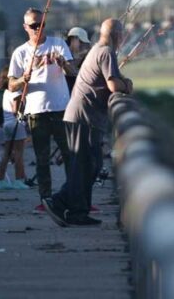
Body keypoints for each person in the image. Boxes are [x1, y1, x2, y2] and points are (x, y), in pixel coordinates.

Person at [43, 19, 133, 227]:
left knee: (89, 165)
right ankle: (62, 203)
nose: (122, 40)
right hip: (84, 117)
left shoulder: (97, 50)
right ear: (117, 36)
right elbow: (113, 84)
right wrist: (127, 85)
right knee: (86, 165)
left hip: (82, 116)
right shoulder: (106, 52)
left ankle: (75, 209)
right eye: (121, 36)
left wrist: (122, 80)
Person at [8, 8, 76, 213]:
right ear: (25, 27)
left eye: (42, 24)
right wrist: (24, 78)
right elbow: (11, 85)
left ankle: (73, 196)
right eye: (34, 26)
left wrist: (63, 63)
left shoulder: (58, 44)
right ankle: (46, 198)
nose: (38, 29)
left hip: (62, 109)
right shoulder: (20, 52)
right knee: (42, 158)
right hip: (37, 112)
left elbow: (74, 72)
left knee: (70, 154)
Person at [0, 67, 28, 190]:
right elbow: (16, 111)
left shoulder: (6, 92)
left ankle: (1, 180)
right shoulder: (16, 92)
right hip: (16, 124)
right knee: (19, 154)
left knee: (7, 153)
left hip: (6, 124)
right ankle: (18, 180)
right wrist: (24, 112)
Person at [65, 27, 92, 93]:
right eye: (81, 42)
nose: (82, 45)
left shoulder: (84, 56)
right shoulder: (63, 52)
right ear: (73, 39)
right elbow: (72, 71)